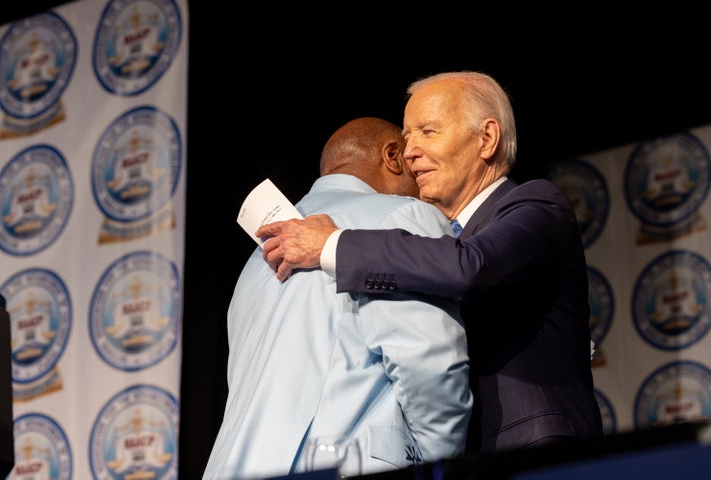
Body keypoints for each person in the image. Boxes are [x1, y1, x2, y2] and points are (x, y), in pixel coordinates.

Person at [257, 71, 604, 454]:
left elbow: (470, 268)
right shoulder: (431, 241)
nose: (409, 152)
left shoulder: (537, 205)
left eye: (427, 132)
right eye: (406, 137)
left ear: (486, 139)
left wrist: (333, 244)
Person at [203, 117, 473, 479]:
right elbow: (428, 362)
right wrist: (440, 462)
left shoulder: (254, 264)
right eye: (415, 170)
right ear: (392, 157)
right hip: (340, 466)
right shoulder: (402, 216)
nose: (424, 191)